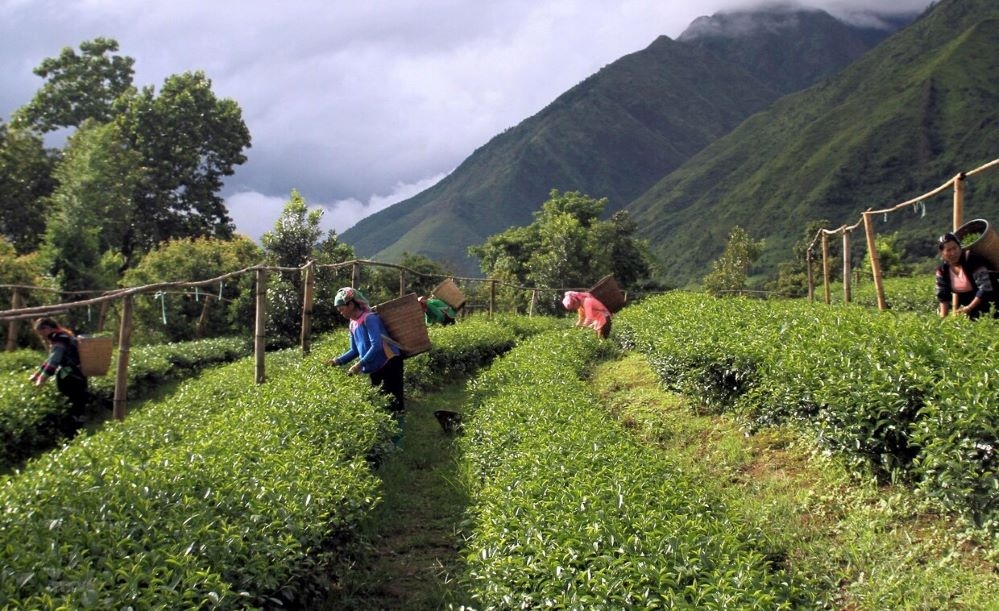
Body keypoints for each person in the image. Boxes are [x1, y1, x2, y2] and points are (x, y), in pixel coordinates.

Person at [329, 287, 405, 415]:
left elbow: (377, 345)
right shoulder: (352, 324)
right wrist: (337, 361)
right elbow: (354, 350)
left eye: (342, 309)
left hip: (389, 361)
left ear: (351, 304)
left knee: (394, 401)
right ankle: (387, 432)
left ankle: (399, 433)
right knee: (380, 400)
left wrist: (359, 364)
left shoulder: (369, 318)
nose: (341, 313)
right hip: (373, 364)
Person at [29, 317, 90, 422]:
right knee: (78, 398)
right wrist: (37, 374)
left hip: (71, 375)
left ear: (47, 328)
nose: (42, 337)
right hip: (77, 373)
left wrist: (42, 378)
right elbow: (50, 359)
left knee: (74, 400)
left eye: (41, 333)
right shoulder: (63, 335)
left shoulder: (59, 338)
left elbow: (55, 360)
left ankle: (76, 424)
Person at [935, 232, 995, 320]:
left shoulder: (972, 260)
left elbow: (985, 288)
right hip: (967, 310)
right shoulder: (942, 271)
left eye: (955, 248)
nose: (953, 253)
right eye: (948, 250)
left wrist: (969, 308)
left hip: (990, 304)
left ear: (959, 247)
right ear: (942, 253)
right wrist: (943, 319)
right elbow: (943, 296)